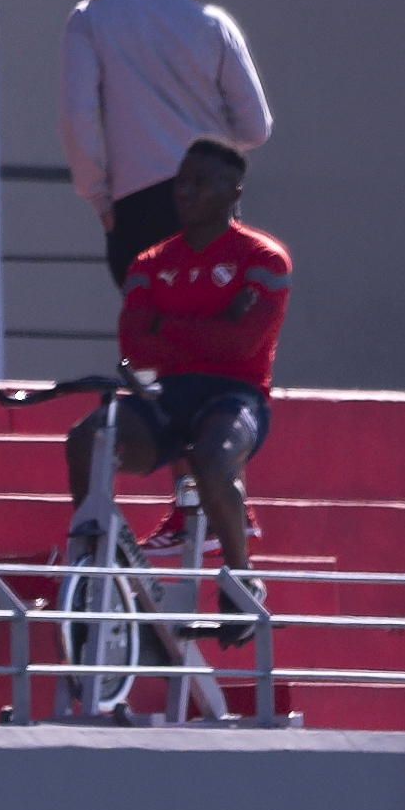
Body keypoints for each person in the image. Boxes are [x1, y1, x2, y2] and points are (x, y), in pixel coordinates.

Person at [98, 139, 288, 601]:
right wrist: (215, 322)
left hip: (235, 395)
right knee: (90, 438)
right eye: (181, 181)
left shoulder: (263, 259)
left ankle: (243, 581)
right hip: (167, 392)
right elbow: (135, 347)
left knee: (211, 454)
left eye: (199, 182)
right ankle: (101, 564)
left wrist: (166, 325)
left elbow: (242, 343)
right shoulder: (149, 262)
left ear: (232, 192)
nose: (184, 191)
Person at [59, 0, 276, 284]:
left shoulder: (90, 19)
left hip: (136, 205)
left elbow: (79, 119)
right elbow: (255, 128)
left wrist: (98, 196)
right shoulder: (213, 24)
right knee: (211, 328)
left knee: (151, 331)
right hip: (211, 202)